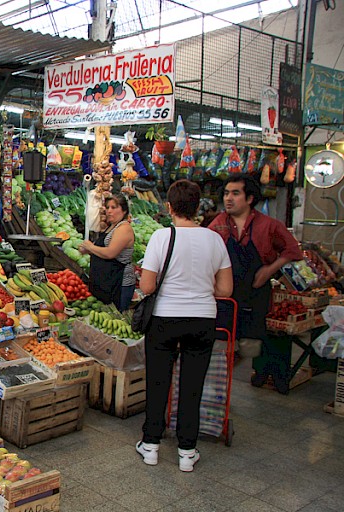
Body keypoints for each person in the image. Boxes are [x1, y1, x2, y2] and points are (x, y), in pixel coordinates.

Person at [136, 180, 233, 472]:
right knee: (192, 385)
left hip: (164, 318)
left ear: (169, 207)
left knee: (158, 381)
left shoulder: (161, 237)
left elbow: (147, 284)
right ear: (197, 207)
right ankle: (187, 451)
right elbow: (226, 290)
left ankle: (151, 445)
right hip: (203, 318)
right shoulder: (214, 239)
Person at [208, 174, 303, 391]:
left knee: (249, 346)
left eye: (235, 193)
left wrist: (269, 270)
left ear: (249, 198)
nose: (228, 198)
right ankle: (220, 388)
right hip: (226, 295)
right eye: (226, 193)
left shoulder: (268, 225)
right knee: (224, 344)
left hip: (255, 294)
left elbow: (292, 251)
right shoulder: (220, 223)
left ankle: (257, 374)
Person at [80, 194, 135, 310]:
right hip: (106, 283)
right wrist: (89, 251)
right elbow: (102, 251)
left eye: (114, 207)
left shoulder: (124, 228)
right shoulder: (110, 227)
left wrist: (91, 247)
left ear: (124, 211)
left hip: (118, 284)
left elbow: (110, 253)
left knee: (116, 317)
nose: (109, 211)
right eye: (108, 207)